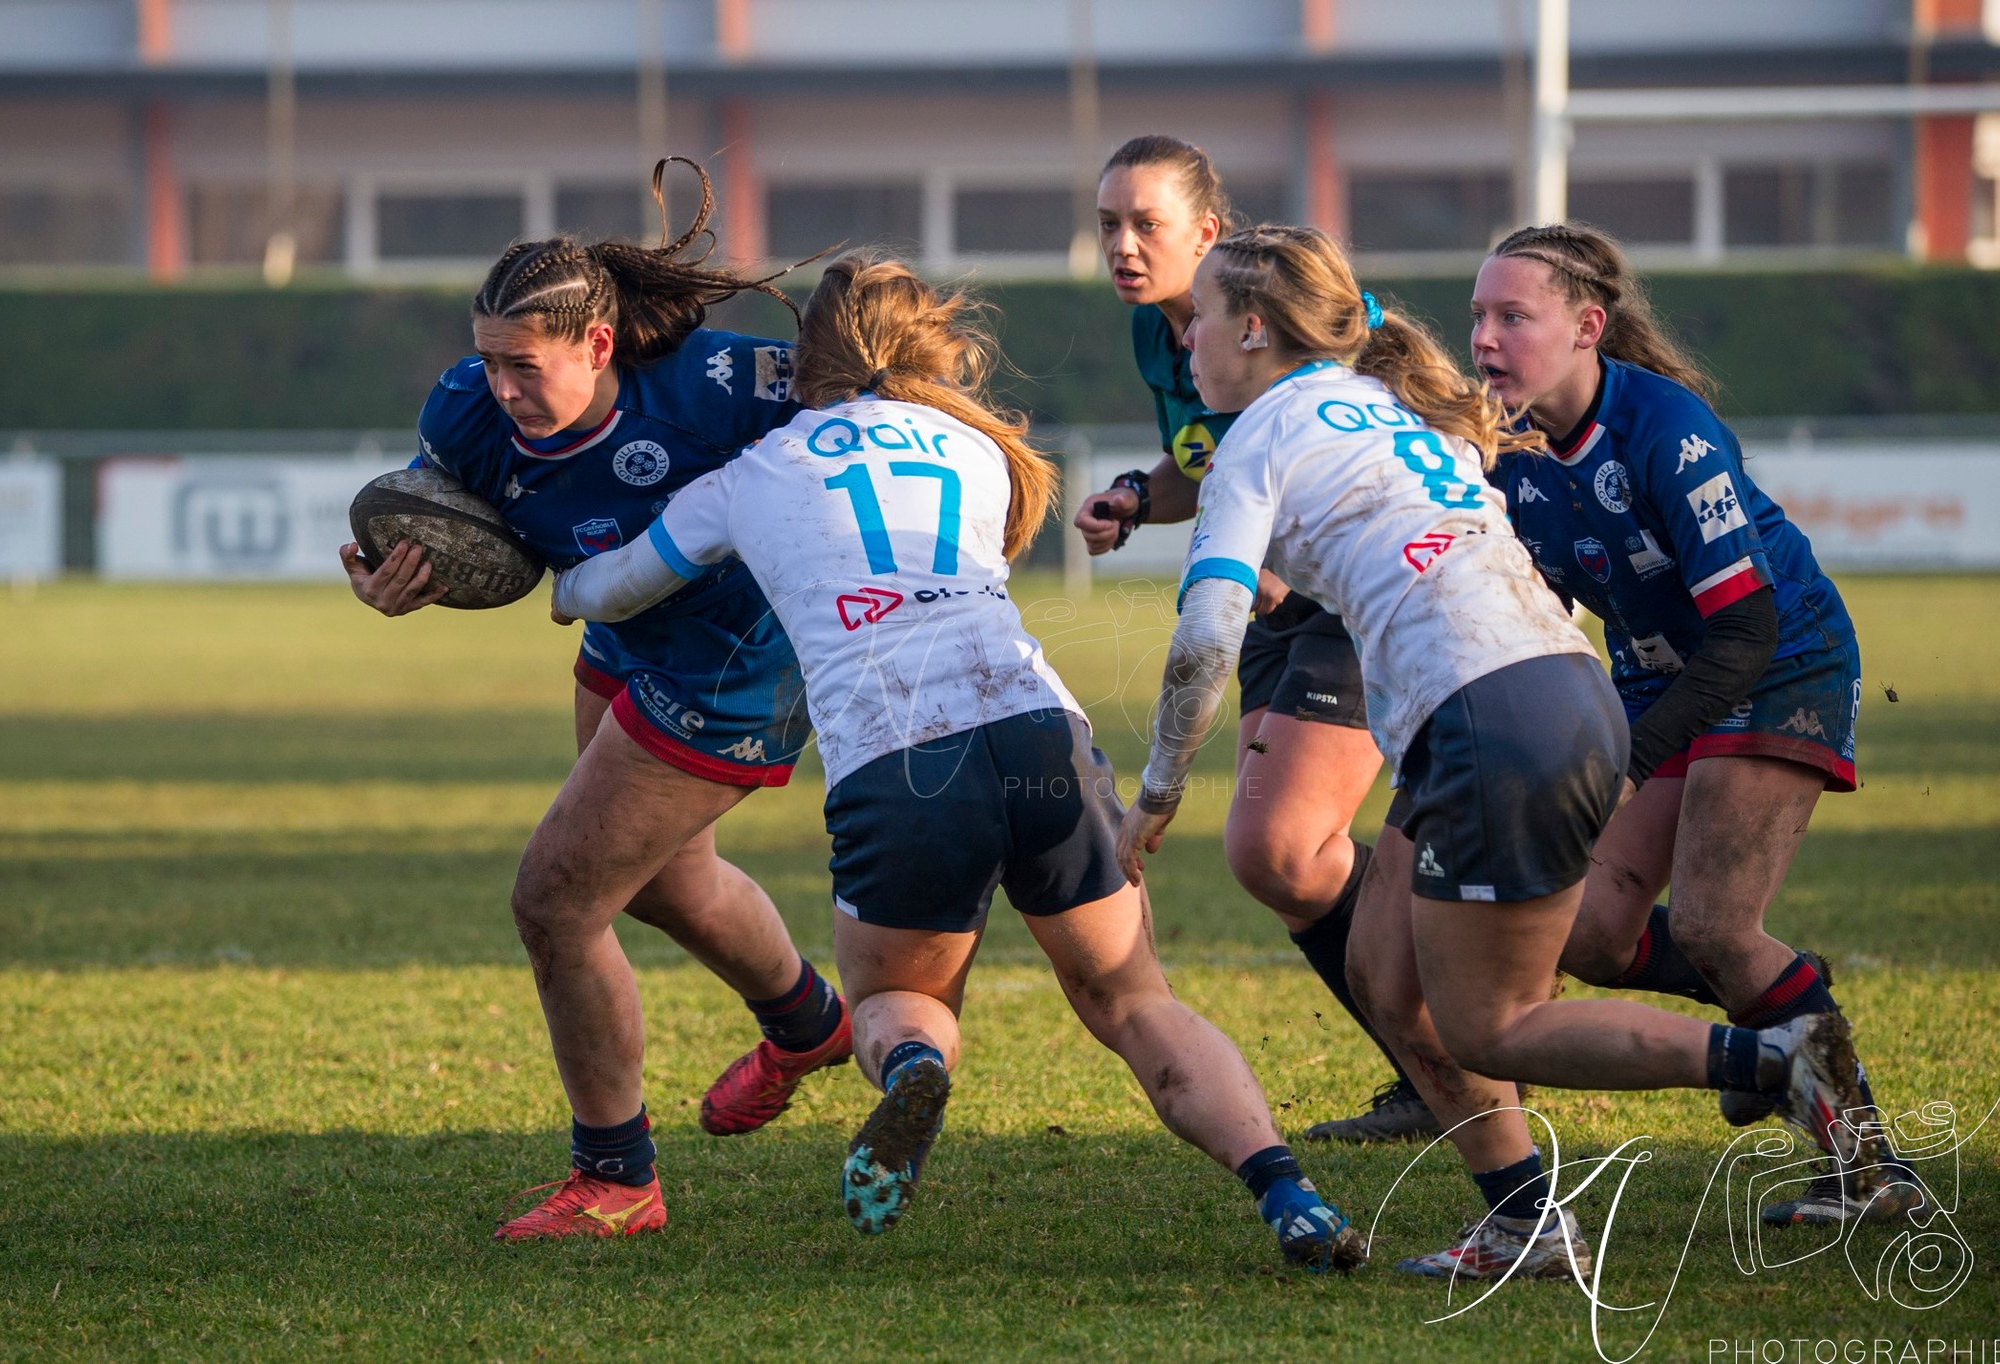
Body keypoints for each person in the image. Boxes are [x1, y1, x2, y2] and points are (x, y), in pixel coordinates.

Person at [551, 254, 1367, 1273]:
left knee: (901, 1004)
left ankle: (916, 1069)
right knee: (1134, 998)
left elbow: (613, 589)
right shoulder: (977, 449)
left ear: (803, 356)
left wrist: (539, 572)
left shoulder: (749, 474)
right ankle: (1283, 1187)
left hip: (898, 763)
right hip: (1039, 732)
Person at [1116, 224, 1883, 1281]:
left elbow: (1204, 635)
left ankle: (1773, 1052)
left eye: (1197, 314)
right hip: (1543, 691)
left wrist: (1153, 792)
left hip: (1497, 713)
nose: (1185, 336)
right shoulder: (1383, 404)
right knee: (1387, 976)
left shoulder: (1256, 437)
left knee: (1493, 1020)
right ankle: (1525, 1218)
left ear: (1252, 326)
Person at [341, 162, 851, 1242]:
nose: (501, 389)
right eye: (487, 362)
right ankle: (808, 1023)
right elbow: (451, 521)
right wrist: (394, 572)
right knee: (667, 882)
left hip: (735, 661)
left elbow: (877, 407)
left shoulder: (726, 384)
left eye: (524, 367)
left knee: (557, 903)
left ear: (599, 345)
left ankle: (617, 1176)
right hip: (625, 636)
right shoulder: (464, 410)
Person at [1475, 221, 1914, 1227]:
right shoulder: (1511, 456)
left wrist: (1626, 761)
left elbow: (1745, 624)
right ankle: (1783, 1002)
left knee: (1716, 922)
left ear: (1586, 326)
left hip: (1778, 660)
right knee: (1587, 930)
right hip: (1657, 677)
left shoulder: (1663, 429)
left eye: (1512, 315)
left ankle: (1871, 1168)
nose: (1485, 338)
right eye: (1477, 317)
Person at [1075, 134, 1430, 1144]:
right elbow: (1208, 456)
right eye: (1107, 224)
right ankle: (1430, 1061)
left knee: (1281, 847)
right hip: (1272, 603)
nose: (1123, 245)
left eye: (1146, 222)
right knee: (1279, 862)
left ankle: (1453, 1050)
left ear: (1207, 232)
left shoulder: (1273, 322)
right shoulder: (1162, 334)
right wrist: (1140, 496)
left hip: (1346, 605)